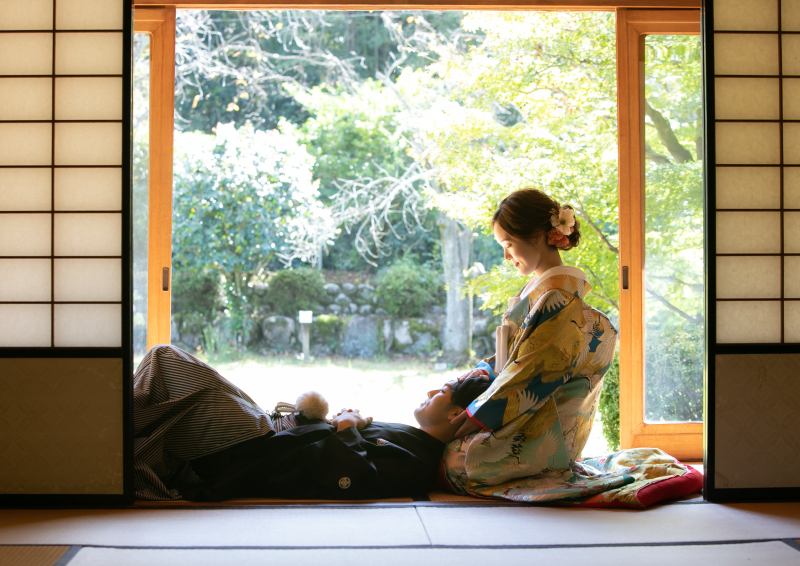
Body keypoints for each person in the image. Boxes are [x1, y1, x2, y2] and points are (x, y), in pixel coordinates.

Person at [441, 188, 623, 499]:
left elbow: (529, 372)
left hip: (545, 431)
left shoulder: (558, 300)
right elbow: (515, 358)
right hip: (546, 425)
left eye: (509, 245)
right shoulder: (551, 294)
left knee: (457, 459)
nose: (506, 256)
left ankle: (547, 467)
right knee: (450, 446)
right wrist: (474, 377)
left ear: (539, 236)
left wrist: (473, 416)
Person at [133, 344, 489, 501]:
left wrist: (348, 427)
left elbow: (354, 480)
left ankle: (103, 438)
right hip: (264, 435)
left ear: (456, 414)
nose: (431, 390)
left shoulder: (419, 460)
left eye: (443, 390)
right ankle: (113, 437)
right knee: (165, 366)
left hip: (251, 450)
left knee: (165, 361)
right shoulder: (413, 441)